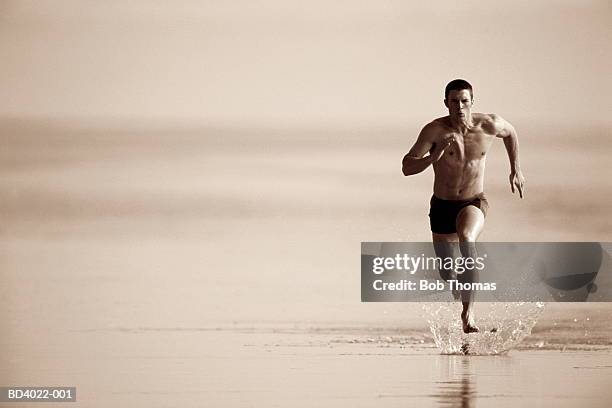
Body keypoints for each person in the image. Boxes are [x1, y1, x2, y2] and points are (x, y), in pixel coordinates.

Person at [402, 79, 525, 333]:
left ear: (472, 101)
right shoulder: (434, 131)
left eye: (464, 101)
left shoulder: (489, 124)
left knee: (468, 238)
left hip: (473, 201)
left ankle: (468, 316)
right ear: (446, 102)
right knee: (448, 275)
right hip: (441, 207)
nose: (459, 106)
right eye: (454, 101)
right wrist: (432, 158)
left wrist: (516, 169)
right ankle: (459, 285)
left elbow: (511, 132)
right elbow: (407, 166)